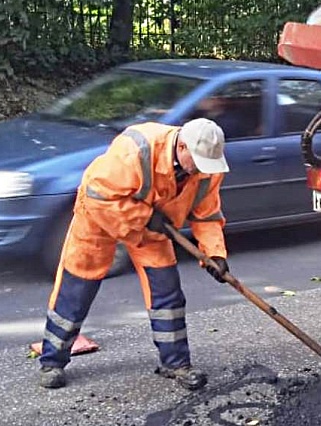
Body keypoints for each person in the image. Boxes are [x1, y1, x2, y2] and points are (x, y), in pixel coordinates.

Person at [37, 118, 231, 390]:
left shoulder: (207, 168)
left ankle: (176, 364)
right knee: (78, 287)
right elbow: (99, 195)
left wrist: (214, 255)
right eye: (197, 162)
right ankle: (52, 362)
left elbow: (207, 215)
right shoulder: (137, 148)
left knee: (167, 292)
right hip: (99, 218)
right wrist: (145, 216)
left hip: (153, 228)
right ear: (182, 147)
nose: (200, 169)